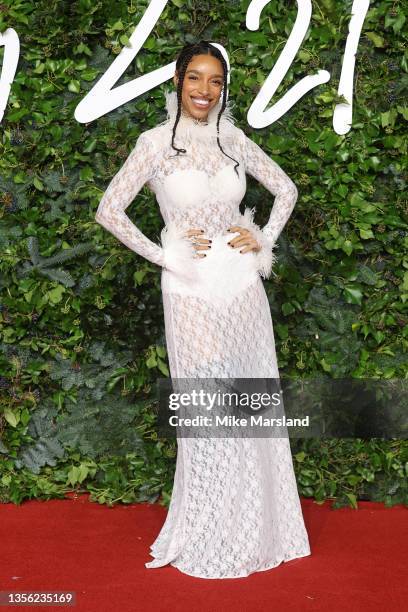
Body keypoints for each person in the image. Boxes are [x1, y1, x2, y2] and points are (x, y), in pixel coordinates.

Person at [95, 40, 311, 579]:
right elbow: (109, 210)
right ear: (177, 80)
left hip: (242, 288)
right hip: (189, 287)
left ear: (224, 88)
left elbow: (285, 189)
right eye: (196, 78)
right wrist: (163, 251)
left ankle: (258, 527)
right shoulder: (152, 144)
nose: (205, 91)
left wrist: (261, 238)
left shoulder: (234, 139)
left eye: (215, 81)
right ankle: (212, 529)